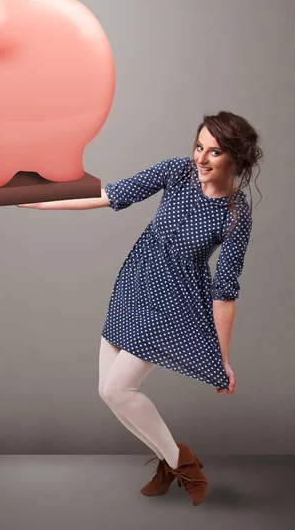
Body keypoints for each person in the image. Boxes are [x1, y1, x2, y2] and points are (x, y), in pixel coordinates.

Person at [17, 111, 263, 506]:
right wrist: (45, 202)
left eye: (214, 152)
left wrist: (224, 357)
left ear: (235, 158)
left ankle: (184, 467)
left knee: (119, 388)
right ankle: (176, 460)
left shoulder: (236, 214)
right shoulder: (177, 172)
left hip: (175, 303)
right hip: (134, 285)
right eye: (199, 147)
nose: (201, 158)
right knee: (107, 391)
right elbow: (112, 194)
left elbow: (225, 291)